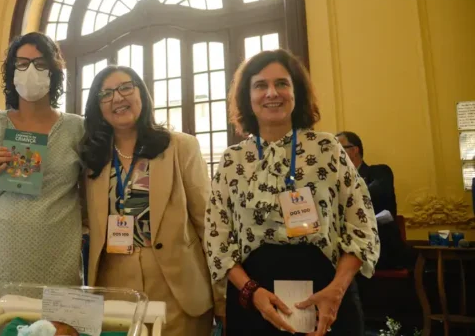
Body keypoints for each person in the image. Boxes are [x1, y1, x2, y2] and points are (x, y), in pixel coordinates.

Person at [205, 49, 379, 336]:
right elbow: (217, 240)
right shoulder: (232, 161)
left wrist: (337, 291)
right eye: (260, 85)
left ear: (296, 91)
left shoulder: (327, 149)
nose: (272, 93)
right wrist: (251, 292)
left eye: (282, 83)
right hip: (254, 299)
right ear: (248, 97)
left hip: (327, 296)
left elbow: (361, 226)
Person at [0, 32, 84, 320]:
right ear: (11, 72)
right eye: (22, 64)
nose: (30, 71)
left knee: (57, 328)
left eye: (39, 63)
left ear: (54, 71)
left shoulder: (77, 129)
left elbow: (91, 194)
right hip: (1, 253)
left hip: (58, 253)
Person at [80, 66, 214, 335]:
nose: (117, 98)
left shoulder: (180, 147)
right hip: (114, 288)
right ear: (98, 107)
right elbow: (84, 222)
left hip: (177, 290)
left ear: (141, 93)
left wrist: (222, 297)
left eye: (125, 87)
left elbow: (208, 224)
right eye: (106, 94)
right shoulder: (92, 159)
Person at [337, 131, 406, 270]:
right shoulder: (336, 182)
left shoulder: (379, 172)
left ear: (354, 150)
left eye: (338, 148)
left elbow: (372, 192)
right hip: (346, 248)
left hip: (379, 246)